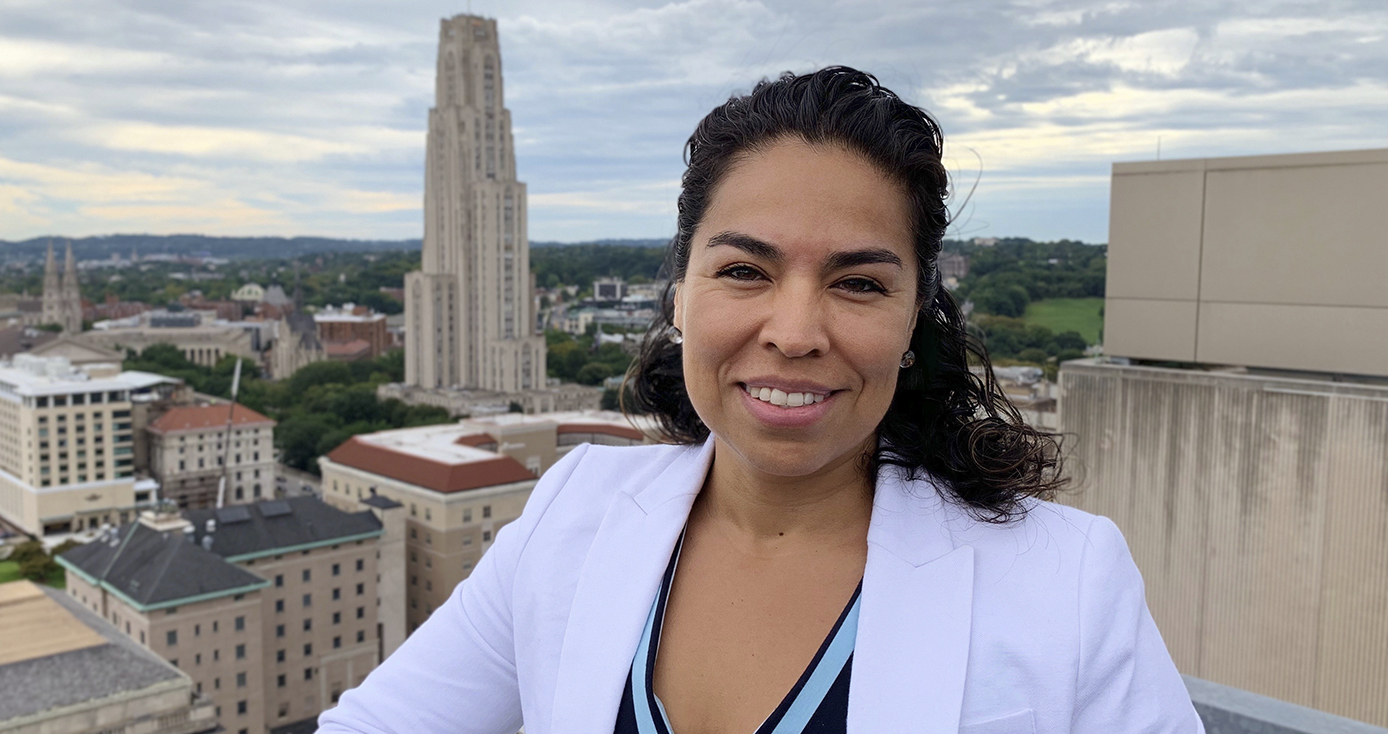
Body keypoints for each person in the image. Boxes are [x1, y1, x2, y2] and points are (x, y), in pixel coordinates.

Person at [317, 67, 1203, 734]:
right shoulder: (571, 512)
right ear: (676, 293)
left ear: (913, 319)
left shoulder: (1065, 581)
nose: (794, 330)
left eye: (858, 284)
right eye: (745, 270)